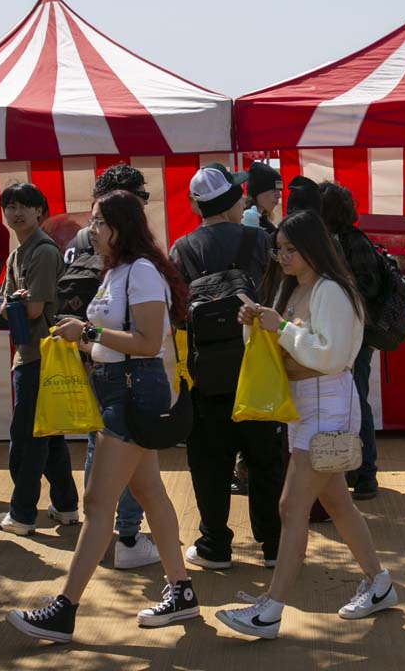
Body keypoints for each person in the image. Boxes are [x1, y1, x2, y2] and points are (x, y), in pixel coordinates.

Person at [6, 190, 198, 642]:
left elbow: (149, 342)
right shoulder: (120, 271)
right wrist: (82, 342)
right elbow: (120, 340)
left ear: (120, 227)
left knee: (96, 504)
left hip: (133, 390)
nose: (90, 230)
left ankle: (64, 609)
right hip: (121, 388)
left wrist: (87, 330)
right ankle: (182, 592)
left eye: (97, 223)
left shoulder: (142, 271)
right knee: (150, 493)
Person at [214, 210, 395, 639]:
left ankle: (270, 610)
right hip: (308, 405)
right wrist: (257, 326)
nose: (282, 258)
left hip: (327, 402)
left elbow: (330, 355)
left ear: (314, 247)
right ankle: (379, 581)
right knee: (335, 503)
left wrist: (280, 329)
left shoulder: (330, 289)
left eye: (290, 249)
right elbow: (279, 347)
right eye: (278, 250)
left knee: (292, 508)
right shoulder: (297, 288)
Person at [172, 164, 282, 570]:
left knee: (209, 462)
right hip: (259, 370)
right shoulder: (262, 241)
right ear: (235, 201)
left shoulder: (181, 248)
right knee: (265, 459)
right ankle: (273, 545)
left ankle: (215, 545)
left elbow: (177, 314)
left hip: (207, 375)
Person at [57, 163, 157, 569]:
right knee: (126, 454)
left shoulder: (79, 242)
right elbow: (144, 335)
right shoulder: (131, 256)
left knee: (104, 451)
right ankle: (126, 535)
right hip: (120, 367)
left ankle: (101, 529)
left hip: (90, 359)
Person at [0, 182, 80, 537]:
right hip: (33, 355)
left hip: (39, 356)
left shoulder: (41, 252)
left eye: (24, 206)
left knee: (27, 440)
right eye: (10, 206)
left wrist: (12, 303)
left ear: (40, 211)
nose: (16, 213)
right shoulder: (20, 253)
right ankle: (65, 506)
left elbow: (29, 310)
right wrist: (11, 303)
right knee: (50, 436)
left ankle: (23, 513)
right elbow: (3, 307)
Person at [319, 181, 385, 500]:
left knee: (355, 399)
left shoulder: (352, 241)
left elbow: (367, 287)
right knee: (349, 399)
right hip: (341, 333)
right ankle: (355, 469)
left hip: (354, 335)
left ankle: (365, 473)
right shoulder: (342, 240)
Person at [242, 161, 283, 234]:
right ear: (257, 192)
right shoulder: (241, 222)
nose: (279, 195)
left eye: (279, 190)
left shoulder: (268, 227)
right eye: (274, 190)